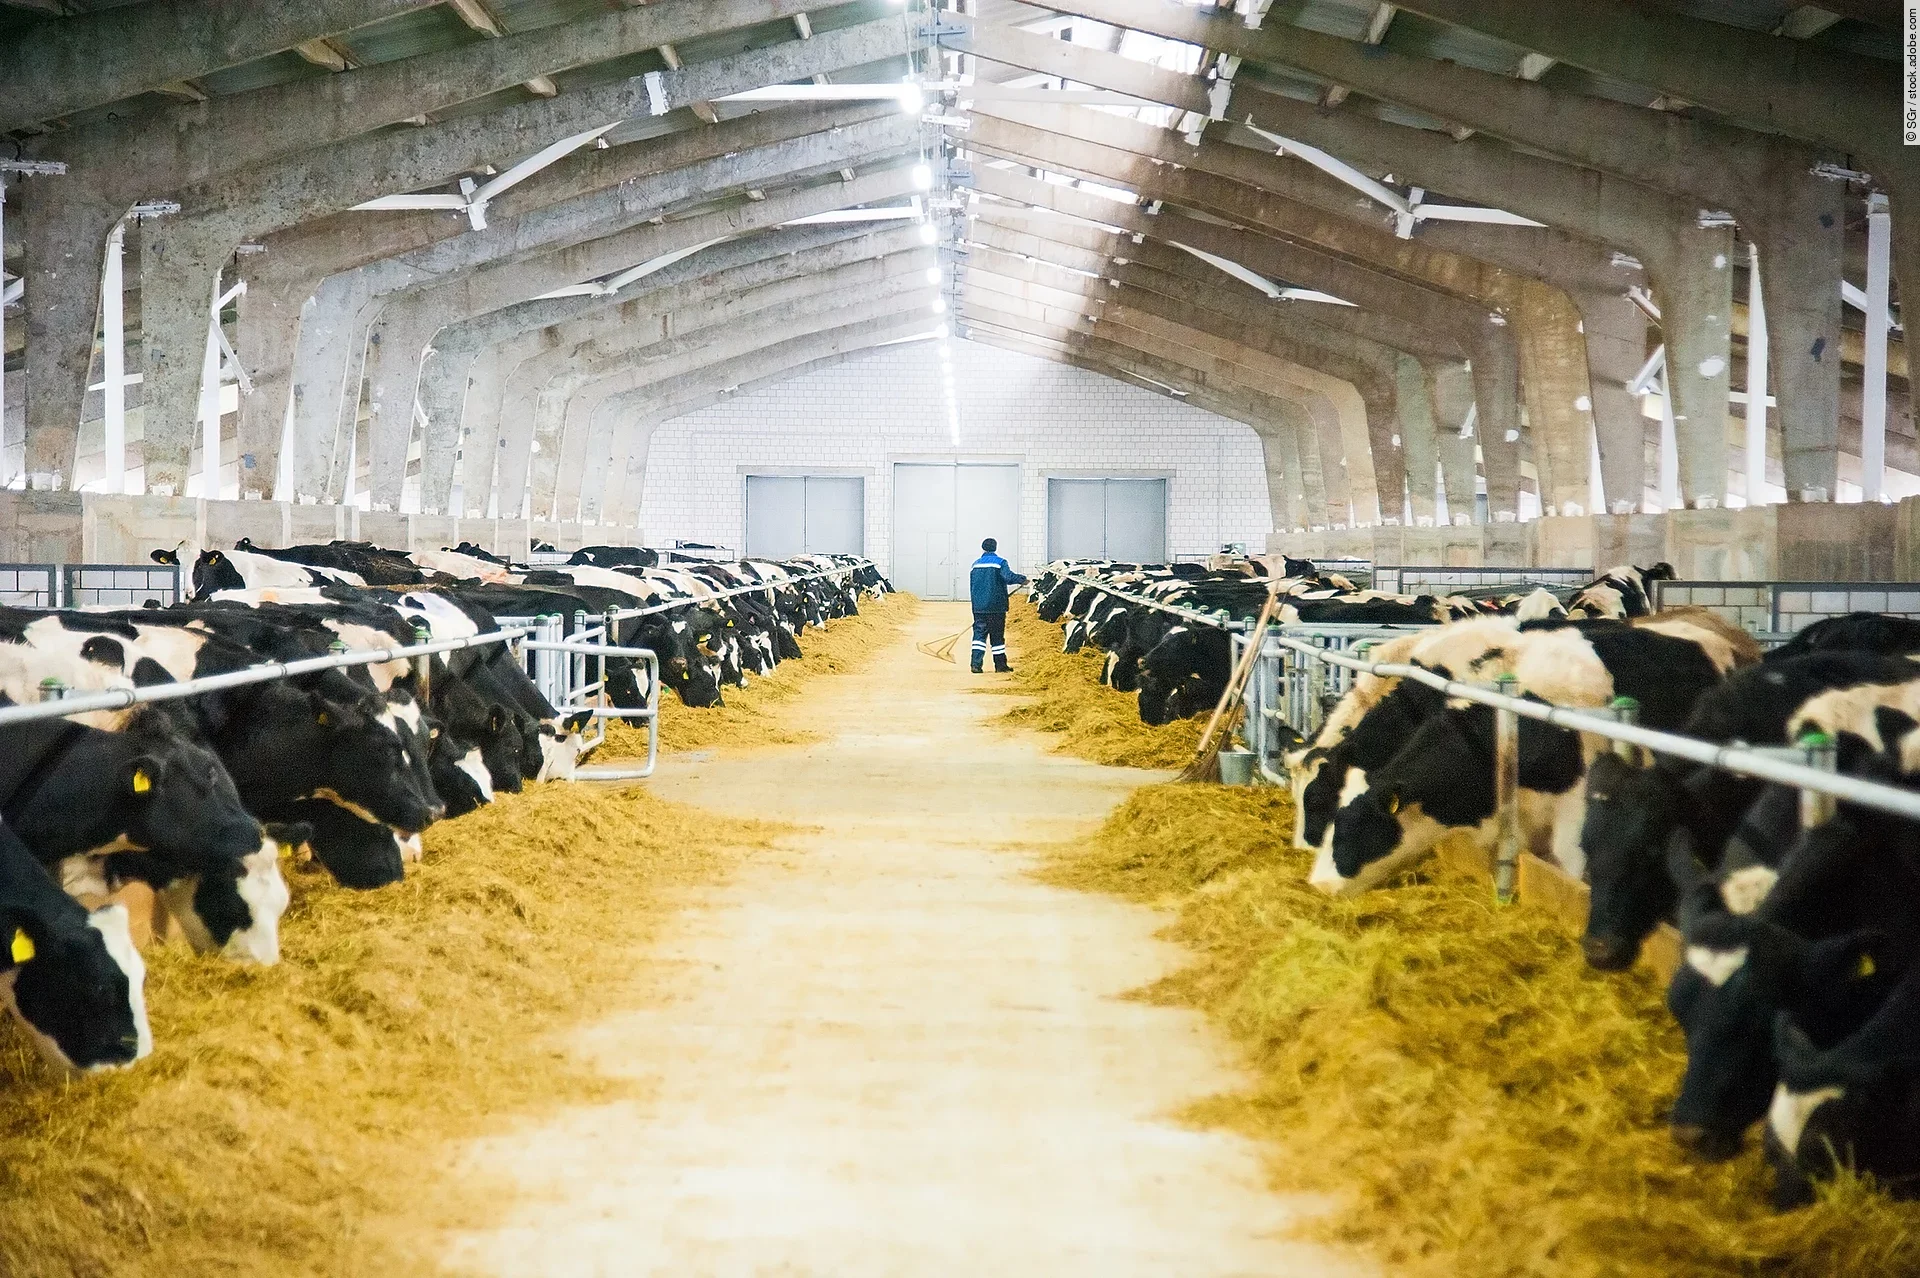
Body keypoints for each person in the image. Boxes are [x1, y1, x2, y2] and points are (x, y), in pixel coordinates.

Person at [968, 537, 1027, 674]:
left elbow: (973, 586)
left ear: (983, 548)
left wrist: (977, 604)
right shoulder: (1000, 562)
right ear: (995, 548)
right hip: (996, 607)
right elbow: (1008, 577)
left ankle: (975, 665)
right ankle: (1000, 666)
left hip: (979, 607)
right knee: (997, 636)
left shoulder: (975, 564)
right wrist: (1022, 579)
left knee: (979, 636)